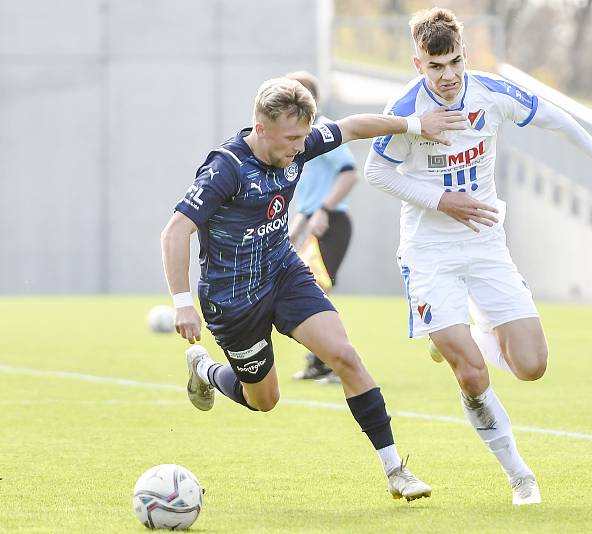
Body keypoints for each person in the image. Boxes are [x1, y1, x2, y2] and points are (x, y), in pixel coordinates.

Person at [160, 76, 466, 501]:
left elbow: (354, 127)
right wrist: (181, 303)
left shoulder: (299, 145)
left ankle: (396, 470)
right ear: (260, 127)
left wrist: (414, 124)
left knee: (344, 355)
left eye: (304, 136)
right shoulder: (225, 168)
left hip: (284, 273)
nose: (299, 147)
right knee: (263, 400)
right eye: (290, 138)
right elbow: (176, 231)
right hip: (232, 301)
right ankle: (207, 370)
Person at [363, 7, 592, 506]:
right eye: (436, 66)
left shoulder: (490, 93)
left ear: (465, 55)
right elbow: (377, 173)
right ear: (418, 63)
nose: (448, 75)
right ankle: (520, 475)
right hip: (429, 251)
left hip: (485, 243)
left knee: (532, 365)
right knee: (472, 374)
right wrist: (441, 200)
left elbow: (555, 116)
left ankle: (465, 336)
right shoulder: (405, 110)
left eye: (455, 62)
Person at [285, 71, 358, 385]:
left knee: (315, 291)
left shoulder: (325, 132)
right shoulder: (299, 138)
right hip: (314, 221)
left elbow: (349, 173)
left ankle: (334, 362)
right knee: (307, 291)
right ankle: (320, 361)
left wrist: (325, 211)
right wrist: (296, 225)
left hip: (332, 222)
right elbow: (310, 192)